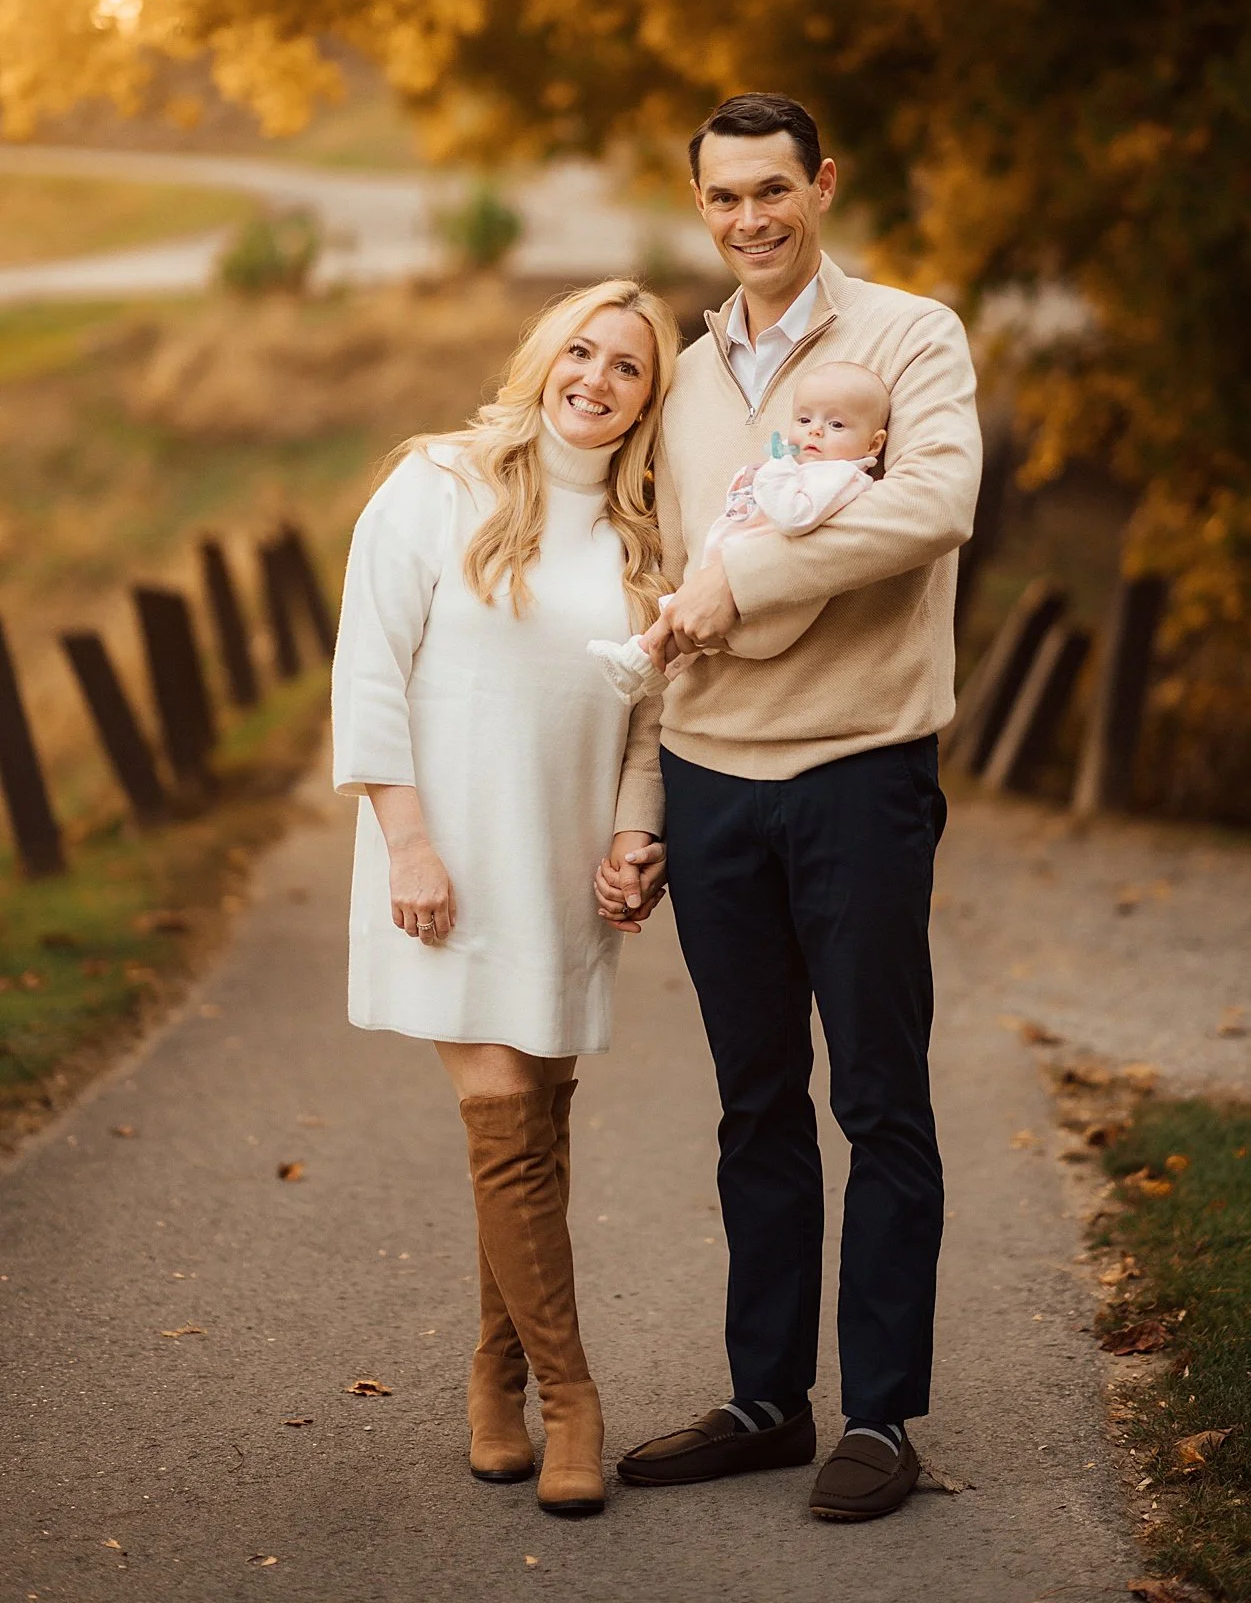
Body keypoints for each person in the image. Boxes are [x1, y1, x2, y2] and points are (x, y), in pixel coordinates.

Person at [597, 93, 981, 1523]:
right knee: (753, 1103)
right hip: (708, 786)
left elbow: (932, 505)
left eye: (774, 189)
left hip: (863, 770)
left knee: (878, 1098)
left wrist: (741, 581)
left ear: (821, 184)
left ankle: (878, 1417)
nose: (749, 218)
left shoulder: (910, 337)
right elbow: (655, 603)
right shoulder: (683, 387)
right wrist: (640, 804)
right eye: (722, 199)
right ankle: (767, 1397)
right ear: (699, 207)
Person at [331, 279, 678, 1518]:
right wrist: (407, 843)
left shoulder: (648, 540)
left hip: (563, 871)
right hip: (447, 860)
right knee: (507, 1131)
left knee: (532, 1134)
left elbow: (650, 723)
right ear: (542, 355)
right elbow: (369, 669)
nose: (597, 376)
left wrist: (639, 837)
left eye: (629, 366)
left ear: (652, 397)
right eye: (580, 348)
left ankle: (493, 1379)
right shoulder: (436, 484)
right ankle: (573, 1397)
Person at [587, 361, 889, 704]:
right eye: (804, 420)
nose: (815, 432)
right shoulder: (816, 470)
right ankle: (654, 672)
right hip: (746, 598)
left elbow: (794, 516)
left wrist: (775, 472)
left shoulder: (837, 476)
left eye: (835, 424)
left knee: (680, 613)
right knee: (685, 619)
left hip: (763, 608)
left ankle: (638, 659)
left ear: (874, 444)